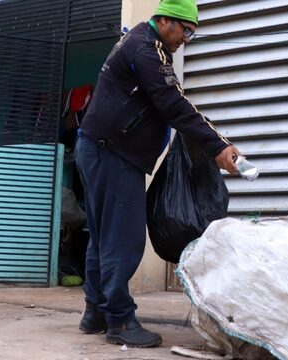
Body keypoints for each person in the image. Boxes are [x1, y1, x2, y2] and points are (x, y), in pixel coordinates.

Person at [75, 0, 240, 348]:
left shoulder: (141, 43)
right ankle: (118, 319)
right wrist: (217, 145)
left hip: (98, 147)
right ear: (165, 21)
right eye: (186, 30)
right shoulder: (148, 50)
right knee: (123, 239)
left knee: (103, 235)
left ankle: (96, 311)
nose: (186, 39)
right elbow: (173, 103)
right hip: (113, 153)